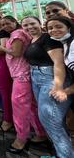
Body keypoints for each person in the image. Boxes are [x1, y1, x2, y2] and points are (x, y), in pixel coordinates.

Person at [22, 16, 73, 158]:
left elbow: (58, 63)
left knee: (51, 122)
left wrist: (57, 86)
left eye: (32, 23)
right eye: (25, 25)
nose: (29, 27)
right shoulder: (32, 40)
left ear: (40, 24)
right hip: (36, 78)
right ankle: (62, 153)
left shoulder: (47, 38)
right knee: (55, 121)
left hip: (49, 78)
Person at [0, 16, 46, 154]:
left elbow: (16, 53)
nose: (5, 25)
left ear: (15, 22)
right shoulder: (21, 33)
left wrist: (2, 48)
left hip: (21, 75)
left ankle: (21, 139)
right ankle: (40, 134)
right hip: (25, 74)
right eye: (3, 24)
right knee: (32, 107)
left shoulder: (17, 33)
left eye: (8, 23)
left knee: (19, 107)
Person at [41, 16, 74, 157]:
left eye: (58, 26)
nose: (54, 30)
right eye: (50, 28)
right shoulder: (65, 43)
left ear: (69, 27)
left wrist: (65, 90)